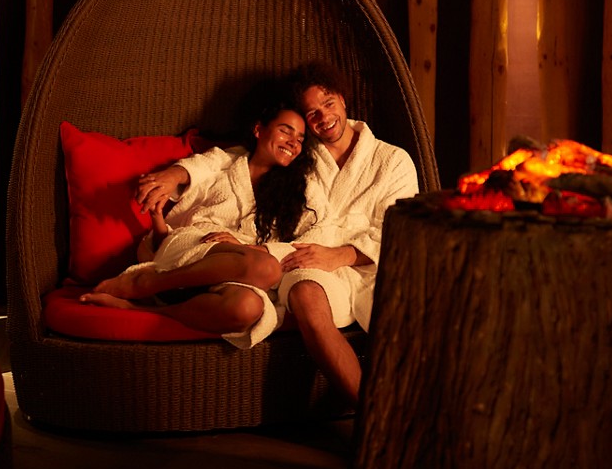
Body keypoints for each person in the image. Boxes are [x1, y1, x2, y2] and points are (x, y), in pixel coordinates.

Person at [139, 61, 419, 407]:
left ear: (344, 100)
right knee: (304, 293)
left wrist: (340, 255)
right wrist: (177, 173)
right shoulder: (301, 155)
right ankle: (376, 418)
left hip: (367, 265)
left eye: (329, 104)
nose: (323, 118)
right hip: (303, 259)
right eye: (311, 113)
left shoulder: (393, 161)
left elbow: (400, 230)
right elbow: (233, 160)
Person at [81, 92, 333, 350]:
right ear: (259, 129)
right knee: (267, 268)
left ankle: (140, 304)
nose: (293, 142)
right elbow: (198, 167)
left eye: (300, 139)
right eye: (285, 131)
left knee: (247, 309)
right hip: (194, 246)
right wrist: (171, 176)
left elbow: (319, 234)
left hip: (237, 272)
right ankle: (146, 283)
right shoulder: (226, 162)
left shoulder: (299, 191)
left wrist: (249, 250)